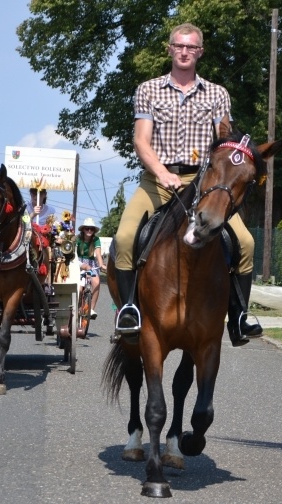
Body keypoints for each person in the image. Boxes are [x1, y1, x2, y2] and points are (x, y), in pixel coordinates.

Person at [112, 22, 261, 346]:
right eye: (179, 45)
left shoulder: (217, 94)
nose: (184, 51)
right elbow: (141, 141)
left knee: (246, 243)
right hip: (157, 180)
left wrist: (229, 166)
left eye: (191, 47)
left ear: (199, 52)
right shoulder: (148, 90)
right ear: (169, 49)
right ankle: (129, 310)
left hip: (204, 182)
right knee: (124, 238)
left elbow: (224, 139)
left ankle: (238, 316)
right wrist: (163, 173)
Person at [75, 218, 106, 319]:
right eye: (87, 228)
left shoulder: (96, 240)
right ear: (83, 229)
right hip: (78, 262)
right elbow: (74, 254)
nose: (89, 231)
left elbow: (98, 254)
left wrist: (101, 265)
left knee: (96, 283)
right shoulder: (77, 238)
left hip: (91, 263)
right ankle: (77, 307)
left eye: (91, 229)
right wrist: (81, 265)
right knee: (79, 289)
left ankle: (91, 309)